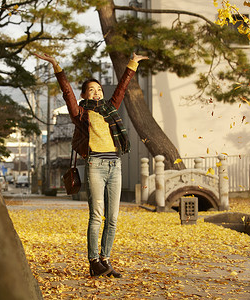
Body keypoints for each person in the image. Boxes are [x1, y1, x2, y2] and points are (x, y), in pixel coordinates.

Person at [35, 52, 148, 277]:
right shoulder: (80, 114)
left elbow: (121, 90)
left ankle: (105, 260)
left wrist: (132, 63)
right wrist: (57, 65)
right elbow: (67, 93)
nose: (96, 92)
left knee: (113, 218)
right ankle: (93, 260)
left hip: (115, 165)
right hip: (95, 164)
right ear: (84, 94)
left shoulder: (110, 109)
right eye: (91, 90)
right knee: (97, 215)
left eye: (99, 89)